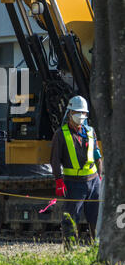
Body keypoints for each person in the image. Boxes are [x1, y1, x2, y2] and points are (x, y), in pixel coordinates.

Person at [50, 95, 102, 243]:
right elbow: (54, 160)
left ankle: (96, 249)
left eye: (83, 113)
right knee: (71, 220)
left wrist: (100, 176)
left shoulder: (90, 132)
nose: (81, 116)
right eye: (77, 112)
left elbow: (97, 156)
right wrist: (59, 180)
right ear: (70, 113)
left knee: (95, 218)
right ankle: (70, 250)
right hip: (73, 184)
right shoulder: (61, 134)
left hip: (93, 183)